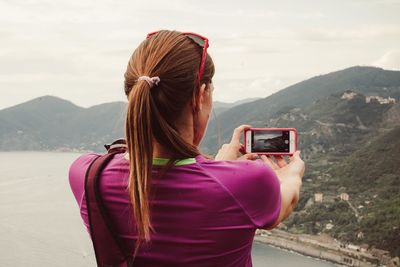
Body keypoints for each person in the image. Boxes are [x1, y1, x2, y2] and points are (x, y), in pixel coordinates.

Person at [69, 30, 305, 267]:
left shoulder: (86, 174)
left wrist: (220, 166)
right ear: (200, 95)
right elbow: (284, 202)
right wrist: (290, 175)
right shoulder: (249, 181)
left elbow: (147, 158)